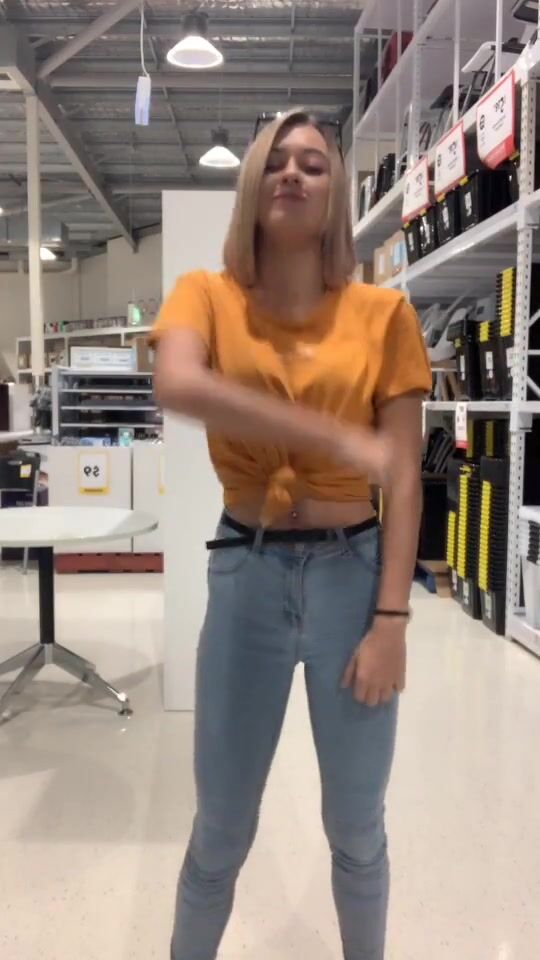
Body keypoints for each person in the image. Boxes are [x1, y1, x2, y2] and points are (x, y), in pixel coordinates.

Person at [152, 109, 432, 960]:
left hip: (355, 581)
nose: (293, 174)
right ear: (251, 183)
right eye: (276, 160)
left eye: (314, 162)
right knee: (220, 830)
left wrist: (392, 622)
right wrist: (334, 439)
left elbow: (404, 478)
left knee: (357, 826)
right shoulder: (206, 295)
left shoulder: (384, 314)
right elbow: (177, 383)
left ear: (337, 190)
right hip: (249, 574)